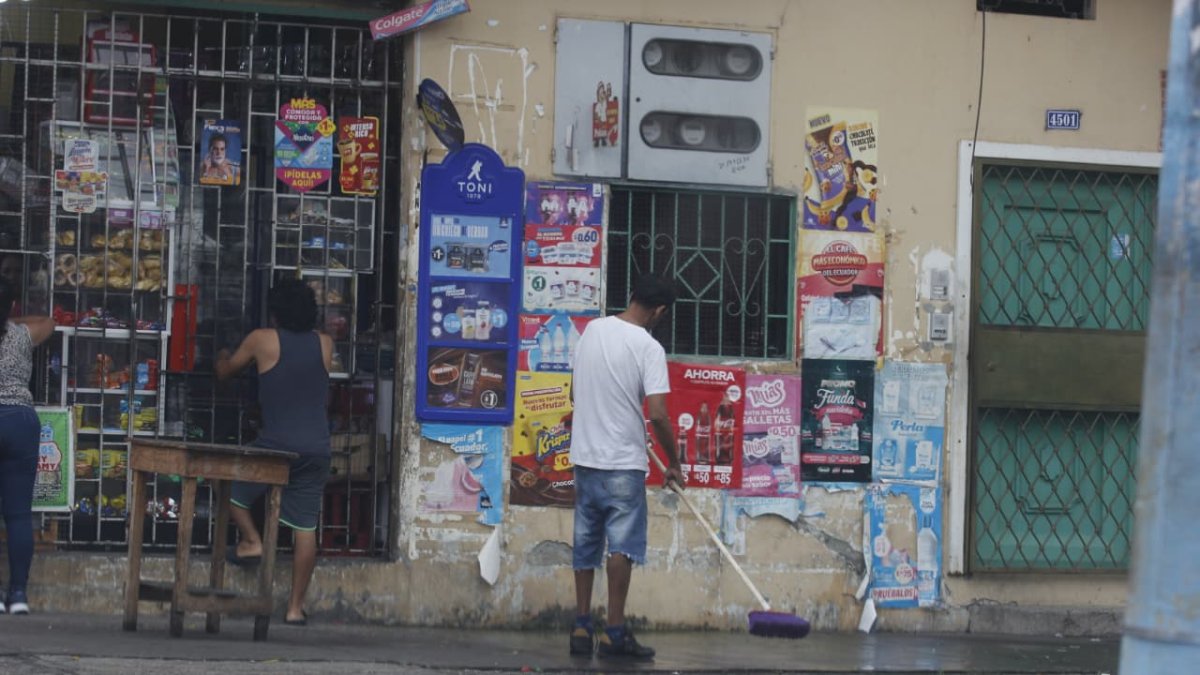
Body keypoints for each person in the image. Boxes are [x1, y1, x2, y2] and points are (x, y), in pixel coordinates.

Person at [567, 275, 684, 660]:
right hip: (622, 464)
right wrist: (674, 463)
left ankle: (582, 625)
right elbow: (660, 416)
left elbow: (573, 393)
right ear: (659, 311)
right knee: (621, 546)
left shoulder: (592, 331)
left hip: (584, 458)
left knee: (586, 542)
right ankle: (613, 632)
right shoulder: (648, 347)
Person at [215, 279, 333, 626]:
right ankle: (295, 609)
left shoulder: (261, 339)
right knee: (305, 527)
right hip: (316, 447)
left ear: (276, 313)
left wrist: (221, 354)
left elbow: (226, 373)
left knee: (224, 483)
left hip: (276, 446)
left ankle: (252, 540)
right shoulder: (324, 343)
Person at [0, 278, 55, 615]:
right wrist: (9, 319)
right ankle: (18, 594)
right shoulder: (20, 335)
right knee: (19, 514)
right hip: (21, 421)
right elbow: (48, 322)